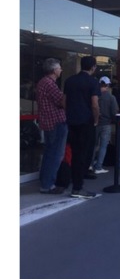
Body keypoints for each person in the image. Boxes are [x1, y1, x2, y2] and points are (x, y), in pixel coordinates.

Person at [63, 55, 100, 199]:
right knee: (83, 154)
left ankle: (74, 181)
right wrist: (96, 120)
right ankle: (78, 187)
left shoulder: (69, 80)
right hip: (86, 122)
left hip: (72, 121)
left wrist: (69, 114)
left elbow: (64, 101)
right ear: (93, 67)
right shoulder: (93, 82)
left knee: (74, 152)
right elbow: (95, 104)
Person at [36, 58, 67, 194]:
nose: (61, 70)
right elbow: (62, 102)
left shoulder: (42, 82)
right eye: (59, 68)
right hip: (56, 122)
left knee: (49, 153)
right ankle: (48, 184)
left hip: (48, 123)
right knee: (55, 154)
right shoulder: (50, 84)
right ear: (54, 70)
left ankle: (44, 180)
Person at [92, 76, 119, 174]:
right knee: (103, 145)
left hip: (94, 123)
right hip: (106, 123)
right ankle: (98, 166)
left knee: (93, 145)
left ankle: (90, 165)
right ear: (108, 85)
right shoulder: (111, 97)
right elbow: (114, 112)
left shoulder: (94, 95)